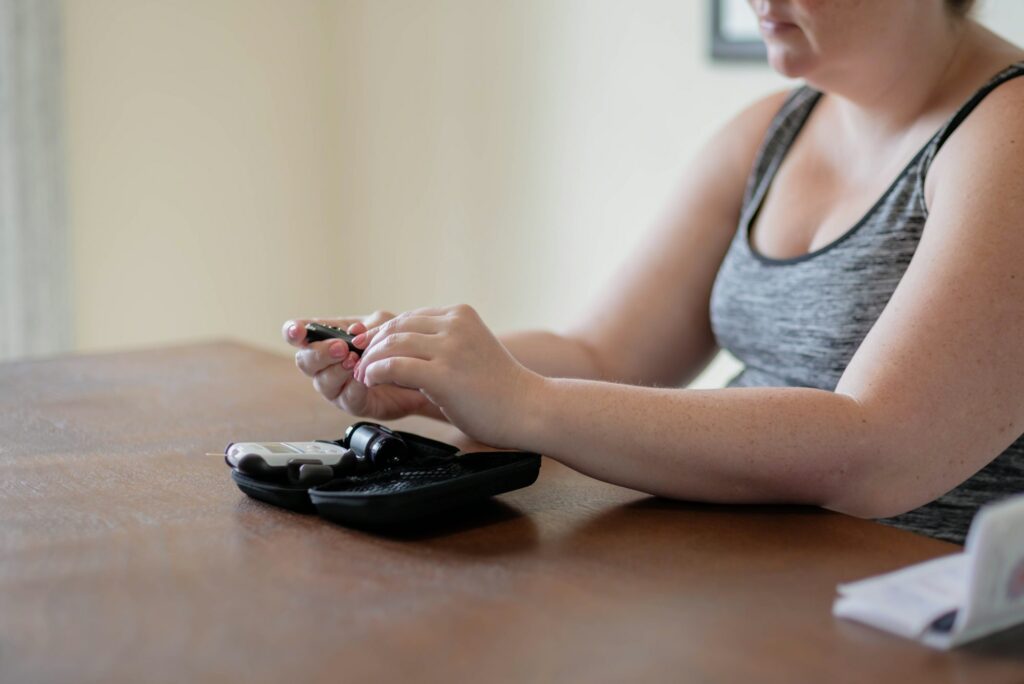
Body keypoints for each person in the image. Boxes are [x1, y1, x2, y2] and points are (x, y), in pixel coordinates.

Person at [283, 0, 1024, 544]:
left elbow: (879, 451)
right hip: (747, 578)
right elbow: (607, 354)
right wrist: (427, 372)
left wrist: (524, 403)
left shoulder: (1007, 132)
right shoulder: (774, 130)